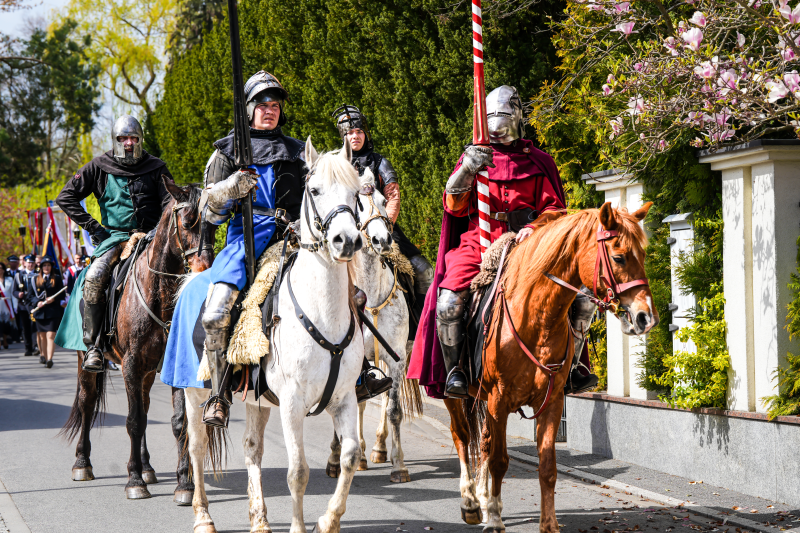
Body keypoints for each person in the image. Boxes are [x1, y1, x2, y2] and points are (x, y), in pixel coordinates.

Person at [188, 70, 390, 428]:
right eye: (263, 104)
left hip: (293, 239)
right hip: (243, 241)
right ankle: (219, 393)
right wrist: (230, 188)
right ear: (248, 109)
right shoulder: (227, 150)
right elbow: (206, 210)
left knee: (352, 296)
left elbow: (319, 197)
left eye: (276, 105)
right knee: (216, 313)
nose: (270, 110)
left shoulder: (297, 151)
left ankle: (359, 375)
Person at [408, 85, 599, 399]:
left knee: (581, 297)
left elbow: (556, 209)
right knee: (449, 301)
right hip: (477, 242)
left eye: (504, 115)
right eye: (493, 117)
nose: (498, 124)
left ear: (517, 117)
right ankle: (456, 370)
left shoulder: (538, 161)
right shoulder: (474, 156)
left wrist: (536, 227)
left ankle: (574, 366)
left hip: (530, 245)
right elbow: (453, 205)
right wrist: (469, 167)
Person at [56, 115, 173, 373]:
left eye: (133, 138)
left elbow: (169, 202)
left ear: (140, 140)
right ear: (116, 140)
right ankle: (94, 346)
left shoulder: (155, 166)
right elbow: (66, 197)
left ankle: (181, 343)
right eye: (123, 138)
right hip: (116, 238)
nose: (129, 143)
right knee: (95, 277)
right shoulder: (99, 166)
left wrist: (159, 231)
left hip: (152, 237)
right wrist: (94, 228)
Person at [331, 105, 434, 325]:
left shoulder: (380, 162)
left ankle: (422, 330)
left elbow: (393, 196)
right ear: (343, 136)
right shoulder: (337, 166)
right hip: (346, 233)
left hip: (382, 229)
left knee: (423, 271)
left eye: (359, 131)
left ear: (365, 134)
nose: (355, 136)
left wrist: (384, 226)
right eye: (350, 133)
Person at [28, 256, 65, 368]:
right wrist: (37, 301)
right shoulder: (35, 280)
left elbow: (62, 294)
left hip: (53, 311)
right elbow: (29, 296)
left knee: (51, 335)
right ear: (41, 267)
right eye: (44, 265)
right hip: (40, 312)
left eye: (48, 265)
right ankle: (43, 355)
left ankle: (50, 359)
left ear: (51, 267)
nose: (46, 267)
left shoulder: (57, 278)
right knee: (42, 336)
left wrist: (54, 299)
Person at [14, 255, 36, 356]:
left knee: (34, 326)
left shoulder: (37, 274)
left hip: (34, 305)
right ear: (25, 263)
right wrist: (18, 294)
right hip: (23, 305)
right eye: (28, 263)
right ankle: (28, 347)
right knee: (26, 327)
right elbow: (14, 290)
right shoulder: (19, 275)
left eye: (32, 263)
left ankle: (36, 345)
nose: (30, 264)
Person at [0, 262, 15, 349]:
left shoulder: (9, 279)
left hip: (7, 304)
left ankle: (5, 340)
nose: (0, 270)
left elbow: (13, 293)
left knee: (6, 324)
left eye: (1, 268)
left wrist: (15, 305)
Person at [7, 255, 21, 343]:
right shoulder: (6, 273)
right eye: (11, 262)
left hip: (18, 298)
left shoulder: (20, 272)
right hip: (8, 299)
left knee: (18, 318)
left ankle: (18, 335)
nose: (13, 264)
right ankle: (10, 335)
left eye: (15, 262)